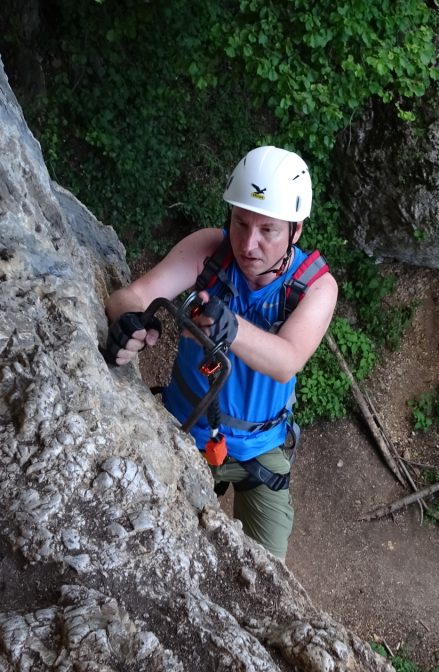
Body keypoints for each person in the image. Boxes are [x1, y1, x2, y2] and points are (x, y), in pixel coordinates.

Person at [103, 146, 338, 559]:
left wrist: (232, 327)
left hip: (261, 446)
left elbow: (286, 362)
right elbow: (133, 295)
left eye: (268, 230)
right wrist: (129, 322)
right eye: (240, 222)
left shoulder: (315, 287)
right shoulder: (209, 250)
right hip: (185, 429)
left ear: (295, 231)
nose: (248, 244)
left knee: (270, 575)